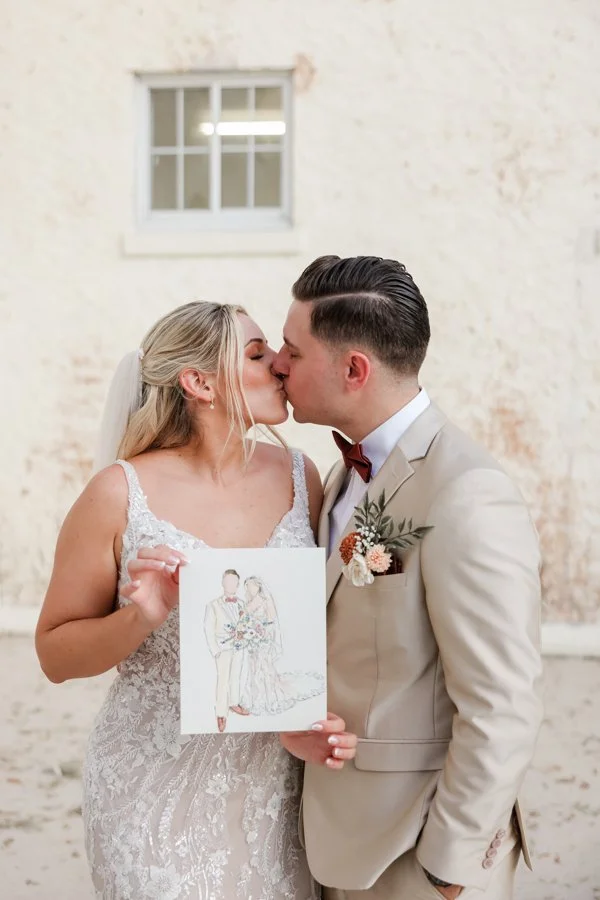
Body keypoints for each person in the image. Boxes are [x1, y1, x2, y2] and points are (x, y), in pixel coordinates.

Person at [35, 300, 357, 900]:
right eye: (258, 355)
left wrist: (305, 721)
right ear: (199, 382)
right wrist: (140, 617)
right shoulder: (118, 493)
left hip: (272, 788)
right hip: (151, 783)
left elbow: (303, 631)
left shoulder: (299, 475)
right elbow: (54, 655)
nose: (281, 367)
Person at [276, 256, 544, 900]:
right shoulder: (342, 472)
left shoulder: (466, 493)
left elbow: (503, 702)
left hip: (416, 851)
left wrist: (447, 867)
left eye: (292, 348)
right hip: (342, 835)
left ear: (354, 369)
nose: (279, 364)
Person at [240, 576, 325, 715]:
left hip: (263, 638)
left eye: (252, 585)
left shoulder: (265, 600)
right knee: (254, 667)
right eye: (247, 586)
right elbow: (244, 618)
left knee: (264, 666)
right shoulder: (249, 602)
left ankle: (269, 698)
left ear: (258, 586)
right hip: (252, 640)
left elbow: (271, 620)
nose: (250, 588)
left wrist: (262, 632)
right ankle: (255, 698)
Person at [204, 568, 249, 733]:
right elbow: (208, 628)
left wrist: (244, 636)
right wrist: (215, 650)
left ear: (237, 584)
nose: (231, 584)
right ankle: (221, 713)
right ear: (223, 582)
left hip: (239, 646)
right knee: (222, 680)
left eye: (234, 581)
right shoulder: (213, 605)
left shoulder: (242, 604)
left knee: (236, 676)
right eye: (228, 580)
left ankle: (234, 703)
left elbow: (245, 624)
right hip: (223, 648)